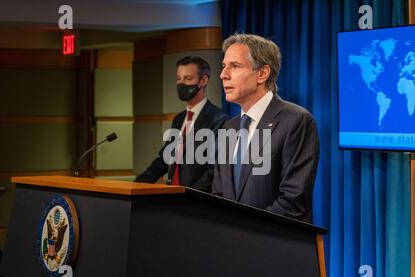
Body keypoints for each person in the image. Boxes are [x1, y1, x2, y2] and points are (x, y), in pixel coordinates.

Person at [212, 34, 320, 223]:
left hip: (274, 244)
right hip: (230, 245)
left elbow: (293, 202)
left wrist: (245, 232)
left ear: (262, 73)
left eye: (235, 66)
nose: (223, 75)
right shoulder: (228, 127)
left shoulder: (296, 120)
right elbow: (219, 193)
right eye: (223, 66)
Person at [135, 56, 228, 192]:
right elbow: (164, 159)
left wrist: (188, 196)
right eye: (179, 79)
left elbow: (214, 169)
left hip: (196, 201)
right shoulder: (179, 119)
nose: (181, 83)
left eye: (188, 78)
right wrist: (136, 185)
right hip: (174, 197)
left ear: (203, 80)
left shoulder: (219, 119)